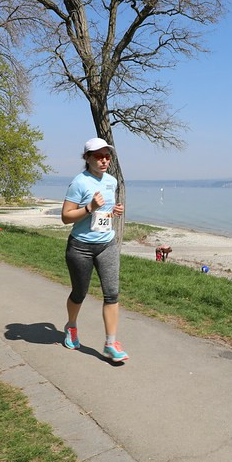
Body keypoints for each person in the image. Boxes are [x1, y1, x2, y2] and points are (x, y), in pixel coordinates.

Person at [60, 137, 128, 362]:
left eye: (107, 156)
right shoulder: (79, 182)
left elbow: (105, 210)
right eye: (98, 156)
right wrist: (90, 207)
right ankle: (71, 325)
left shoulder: (111, 181)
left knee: (112, 293)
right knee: (79, 293)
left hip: (106, 244)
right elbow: (65, 217)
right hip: (81, 247)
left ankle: (110, 343)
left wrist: (115, 210)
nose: (104, 160)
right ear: (87, 158)